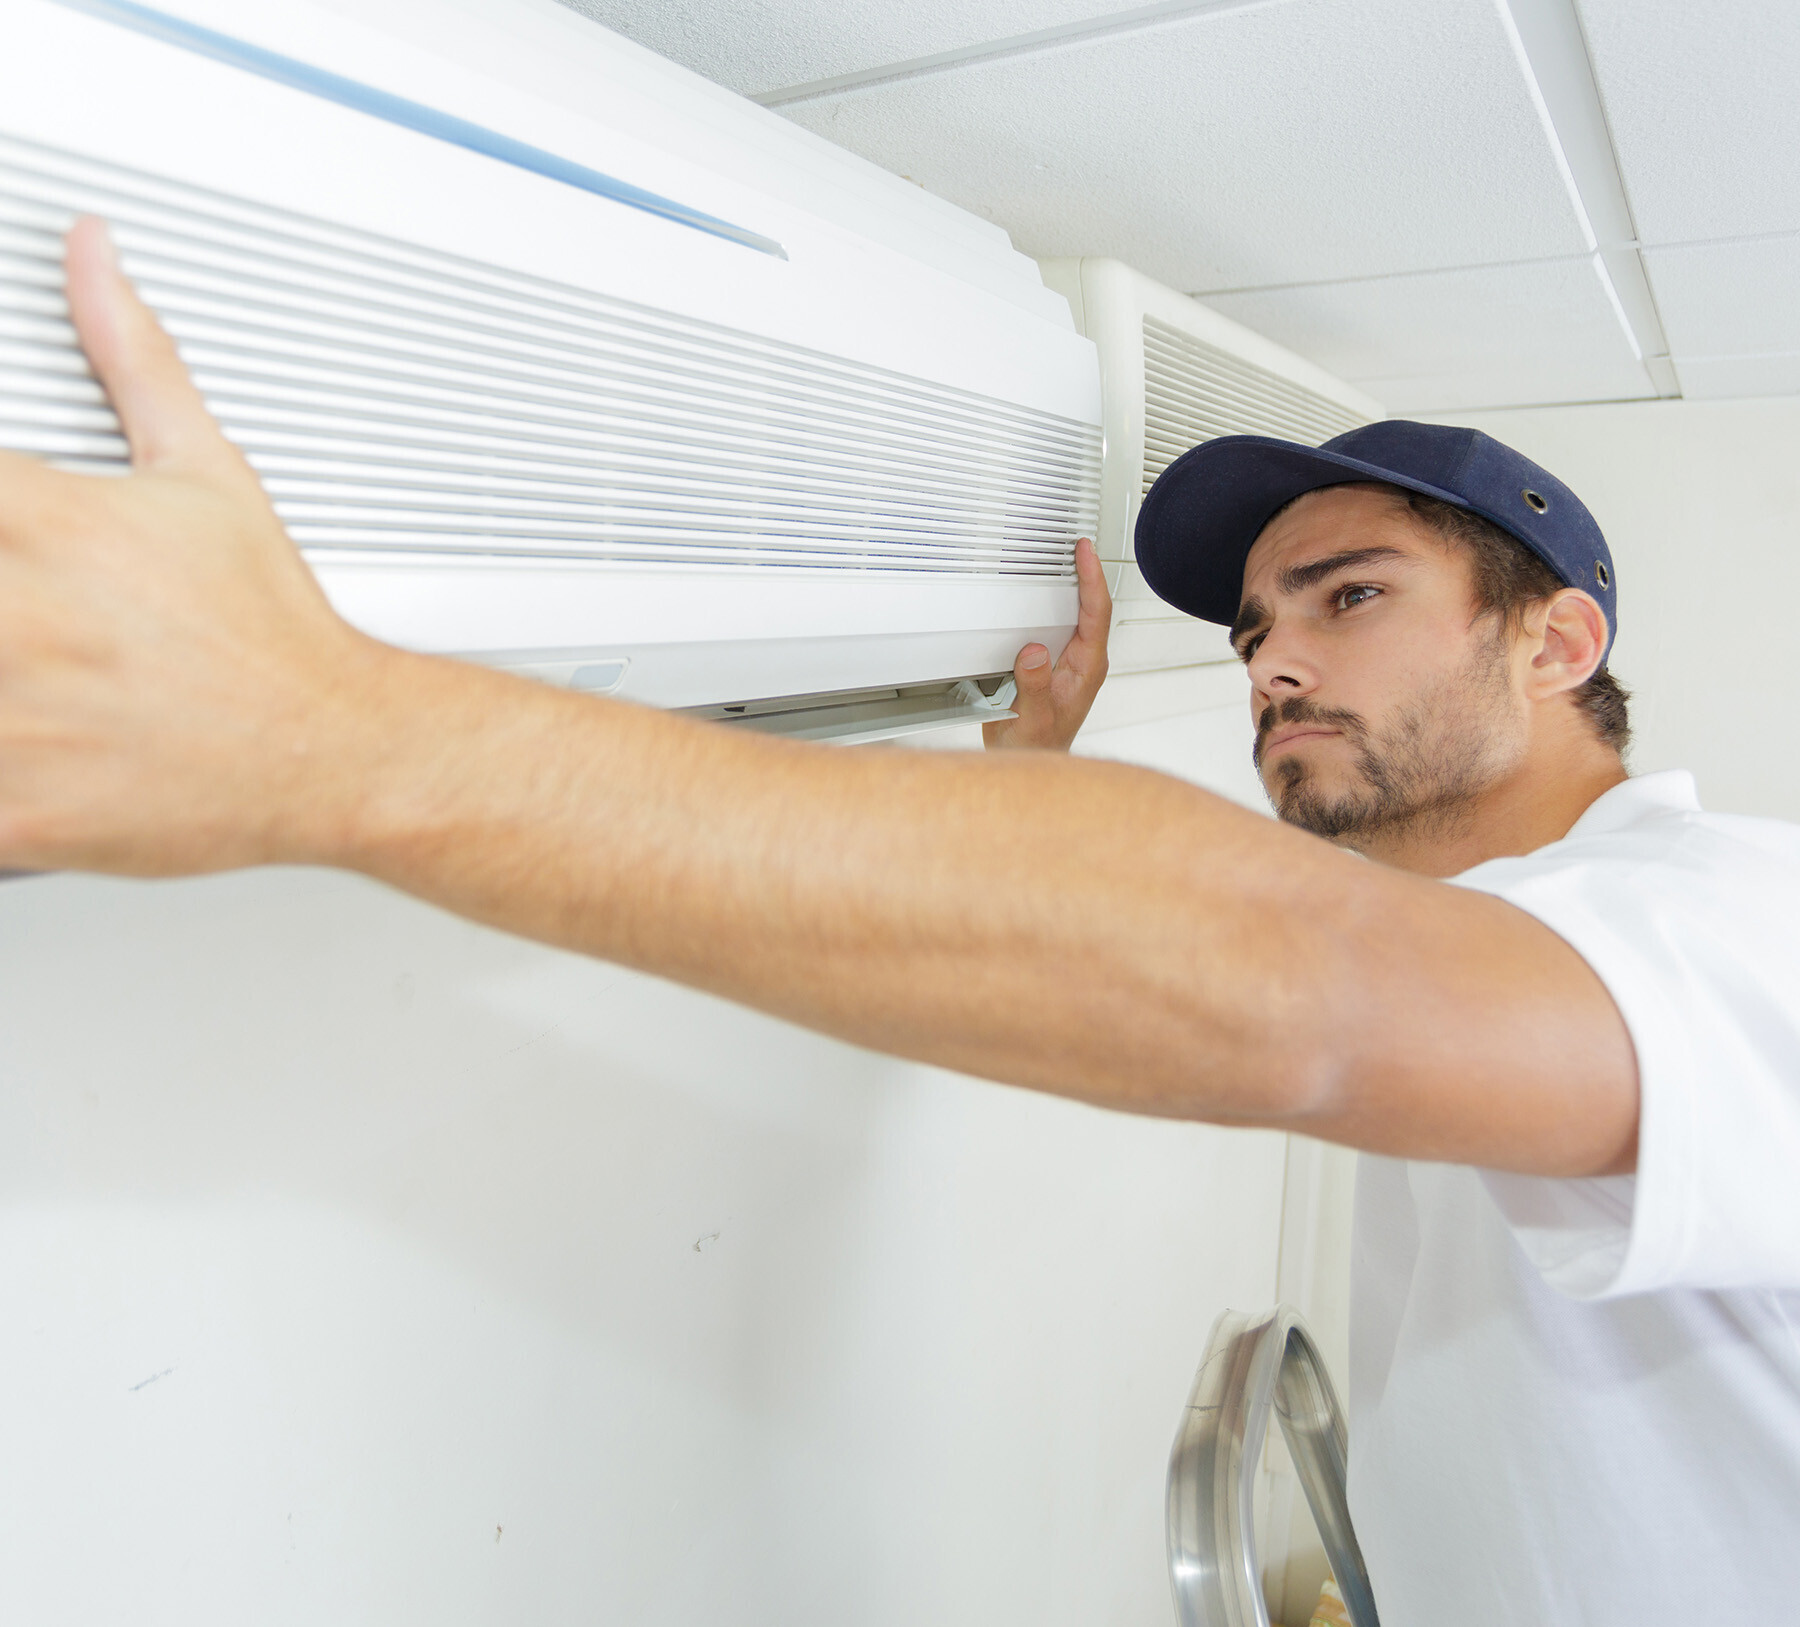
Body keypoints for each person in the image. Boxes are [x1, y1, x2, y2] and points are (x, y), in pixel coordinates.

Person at [3, 220, 1797, 1623]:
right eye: (1257, 629)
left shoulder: (1734, 918)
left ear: (1557, 643)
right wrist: (1030, 796)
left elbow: (1293, 990)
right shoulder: (1493, 927)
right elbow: (1278, 965)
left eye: (1349, 596)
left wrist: (331, 732)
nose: (1275, 664)